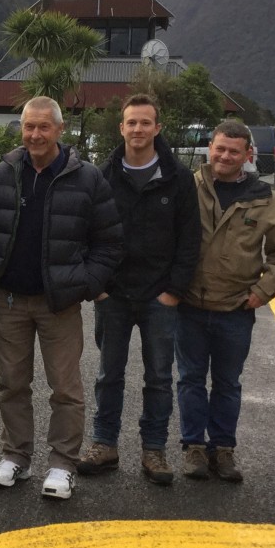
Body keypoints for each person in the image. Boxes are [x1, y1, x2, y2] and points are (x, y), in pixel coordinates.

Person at [0, 97, 122, 499]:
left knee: (65, 388)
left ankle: (62, 465)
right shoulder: (4, 172)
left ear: (59, 130)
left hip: (59, 303)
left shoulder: (87, 177)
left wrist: (85, 283)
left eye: (43, 127)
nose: (35, 135)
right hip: (8, 300)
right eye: (28, 127)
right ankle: (16, 458)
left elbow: (108, 242)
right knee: (12, 384)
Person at [79, 94, 199, 486]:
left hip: (159, 297)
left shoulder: (178, 177)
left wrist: (174, 291)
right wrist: (97, 288)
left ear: (157, 128)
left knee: (159, 377)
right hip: (112, 295)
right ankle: (104, 444)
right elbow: (86, 233)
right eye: (131, 122)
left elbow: (189, 240)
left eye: (145, 123)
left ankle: (154, 450)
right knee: (107, 373)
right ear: (121, 127)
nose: (138, 129)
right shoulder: (103, 176)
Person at [177, 120, 275, 482]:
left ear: (248, 154)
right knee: (190, 380)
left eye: (234, 150)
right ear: (209, 148)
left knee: (228, 383)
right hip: (190, 306)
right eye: (220, 148)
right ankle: (194, 449)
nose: (225, 156)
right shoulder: (189, 187)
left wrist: (263, 292)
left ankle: (224, 449)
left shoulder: (262, 196)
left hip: (235, 309)